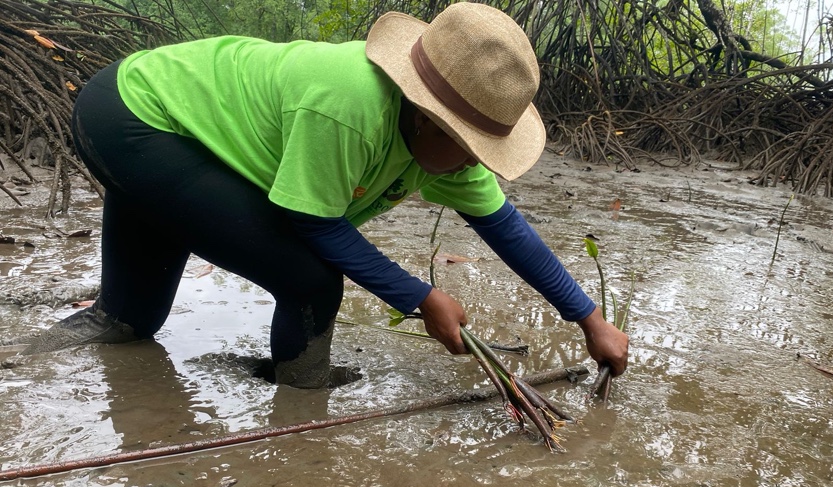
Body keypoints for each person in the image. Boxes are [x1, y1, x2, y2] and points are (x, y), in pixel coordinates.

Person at [15, 2, 629, 388]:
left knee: (131, 322)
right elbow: (311, 223)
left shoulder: (445, 154)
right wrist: (421, 297)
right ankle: (302, 390)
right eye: (471, 145)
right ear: (427, 116)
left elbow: (508, 230)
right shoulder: (350, 108)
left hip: (162, 125)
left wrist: (589, 318)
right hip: (134, 118)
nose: (477, 163)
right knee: (310, 278)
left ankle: (22, 355)